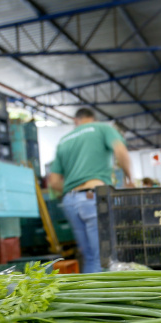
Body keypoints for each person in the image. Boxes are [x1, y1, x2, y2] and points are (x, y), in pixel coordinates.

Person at [48, 108, 133, 274]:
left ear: (76, 120)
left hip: (70, 202)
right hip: (93, 197)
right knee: (103, 258)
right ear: (92, 118)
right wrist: (129, 178)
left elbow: (54, 182)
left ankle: (88, 297)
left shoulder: (64, 140)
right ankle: (101, 298)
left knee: (90, 257)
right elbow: (121, 151)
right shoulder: (103, 128)